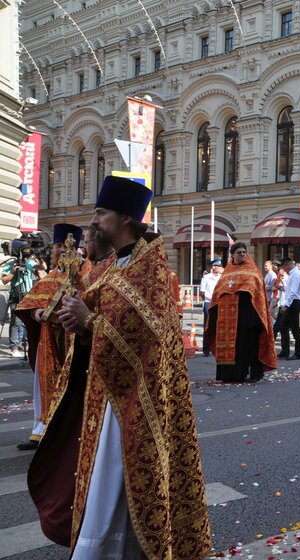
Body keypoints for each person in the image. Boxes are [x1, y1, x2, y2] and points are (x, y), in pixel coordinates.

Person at [34, 175, 210, 558]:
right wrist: (78, 325)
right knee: (107, 492)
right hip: (106, 398)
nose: (94, 221)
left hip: (133, 406)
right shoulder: (114, 267)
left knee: (117, 490)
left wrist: (89, 322)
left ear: (126, 218)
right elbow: (101, 321)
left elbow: (147, 341)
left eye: (101, 212)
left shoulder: (155, 273)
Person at [13, 224, 82, 451]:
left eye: (66, 245)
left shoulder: (87, 274)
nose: (62, 250)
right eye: (59, 245)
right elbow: (30, 304)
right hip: (48, 341)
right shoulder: (48, 278)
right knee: (43, 385)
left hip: (75, 341)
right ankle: (40, 430)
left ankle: (70, 432)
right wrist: (38, 313)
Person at [206, 242, 277, 381]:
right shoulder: (227, 272)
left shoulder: (253, 271)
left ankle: (255, 373)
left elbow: (258, 294)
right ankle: (232, 374)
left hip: (249, 316)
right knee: (236, 346)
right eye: (239, 252)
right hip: (227, 317)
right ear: (232, 255)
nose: (242, 254)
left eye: (244, 252)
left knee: (250, 345)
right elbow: (217, 293)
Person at [2, 241, 44, 357]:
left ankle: (26, 344)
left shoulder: (29, 262)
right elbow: (4, 280)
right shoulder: (11, 264)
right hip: (16, 296)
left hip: (28, 296)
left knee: (27, 322)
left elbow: (42, 267)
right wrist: (13, 272)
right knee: (16, 322)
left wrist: (39, 258)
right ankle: (14, 348)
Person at [278, 258, 300, 359]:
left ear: (288, 265)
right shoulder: (292, 274)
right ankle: (285, 351)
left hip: (294, 302)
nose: (284, 269)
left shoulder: (296, 274)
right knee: (283, 327)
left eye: (284, 266)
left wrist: (286, 305)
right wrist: (283, 288)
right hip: (291, 302)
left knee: (295, 328)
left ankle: (299, 353)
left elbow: (294, 292)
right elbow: (290, 289)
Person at [199, 257, 223, 356]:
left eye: (219, 266)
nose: (219, 267)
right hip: (209, 303)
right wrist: (208, 300)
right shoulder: (206, 277)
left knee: (218, 326)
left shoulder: (221, 277)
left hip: (218, 303)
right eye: (217, 266)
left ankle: (216, 348)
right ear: (213, 267)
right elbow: (202, 292)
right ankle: (206, 349)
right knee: (208, 326)